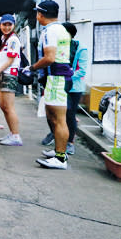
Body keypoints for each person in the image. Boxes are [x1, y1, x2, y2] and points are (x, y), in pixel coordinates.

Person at [25, 0, 72, 169]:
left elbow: (50, 58)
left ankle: (60, 159)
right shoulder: (62, 29)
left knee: (59, 119)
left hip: (56, 79)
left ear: (41, 14)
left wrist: (31, 68)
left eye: (37, 13)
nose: (37, 16)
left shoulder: (50, 31)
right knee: (53, 116)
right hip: (58, 78)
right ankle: (59, 151)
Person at [40, 22, 88, 155]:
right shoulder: (58, 46)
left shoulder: (81, 48)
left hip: (73, 87)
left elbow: (82, 71)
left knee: (69, 115)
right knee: (53, 114)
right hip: (57, 84)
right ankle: (56, 142)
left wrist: (65, 78)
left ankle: (70, 143)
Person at [0, 15, 23, 145]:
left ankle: (16, 136)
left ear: (13, 25)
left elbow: (10, 60)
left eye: (10, 25)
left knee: (8, 107)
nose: (7, 27)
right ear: (0, 25)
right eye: (4, 24)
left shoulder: (13, 40)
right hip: (4, 74)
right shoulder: (4, 39)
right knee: (3, 106)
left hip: (9, 74)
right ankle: (12, 133)